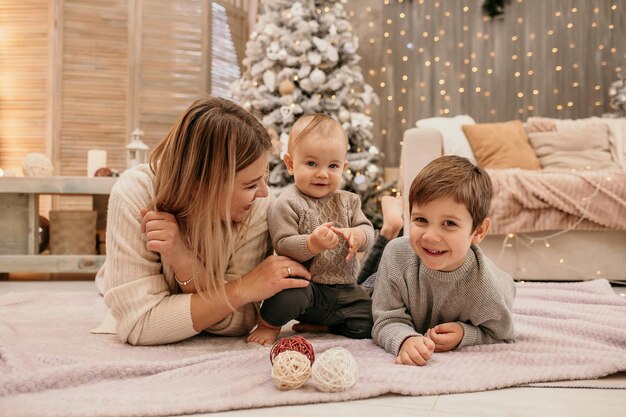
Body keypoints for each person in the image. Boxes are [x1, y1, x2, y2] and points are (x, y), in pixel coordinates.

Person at [93, 97, 311, 346]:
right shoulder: (135, 194)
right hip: (118, 275)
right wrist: (244, 288)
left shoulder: (260, 206)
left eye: (263, 178)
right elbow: (140, 325)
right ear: (199, 187)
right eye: (250, 185)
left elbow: (237, 322)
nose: (263, 192)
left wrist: (183, 259)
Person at [371, 155, 516, 366]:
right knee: (357, 299)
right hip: (376, 280)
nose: (430, 236)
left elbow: (503, 335)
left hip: (494, 284)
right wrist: (405, 339)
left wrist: (465, 334)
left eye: (449, 223)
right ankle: (389, 228)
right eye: (421, 220)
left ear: (478, 231)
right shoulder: (396, 255)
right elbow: (385, 318)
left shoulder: (488, 290)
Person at [247, 114, 375, 345]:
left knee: (371, 320)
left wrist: (357, 235)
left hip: (344, 289)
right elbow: (283, 243)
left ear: (344, 167)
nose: (323, 173)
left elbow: (367, 230)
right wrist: (312, 244)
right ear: (290, 164)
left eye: (333, 165)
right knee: (286, 297)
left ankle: (326, 326)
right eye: (312, 163)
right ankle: (268, 325)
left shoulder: (349, 201)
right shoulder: (286, 203)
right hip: (306, 287)